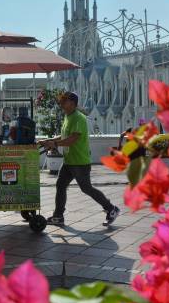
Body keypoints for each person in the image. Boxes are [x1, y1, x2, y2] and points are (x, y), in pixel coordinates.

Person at [39, 91, 120, 226]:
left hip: (79, 162)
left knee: (86, 188)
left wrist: (54, 144)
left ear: (72, 103)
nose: (61, 103)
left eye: (64, 101)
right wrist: (49, 141)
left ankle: (111, 209)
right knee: (60, 185)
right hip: (69, 161)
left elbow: (72, 139)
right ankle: (58, 216)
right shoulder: (68, 116)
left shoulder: (78, 118)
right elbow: (64, 135)